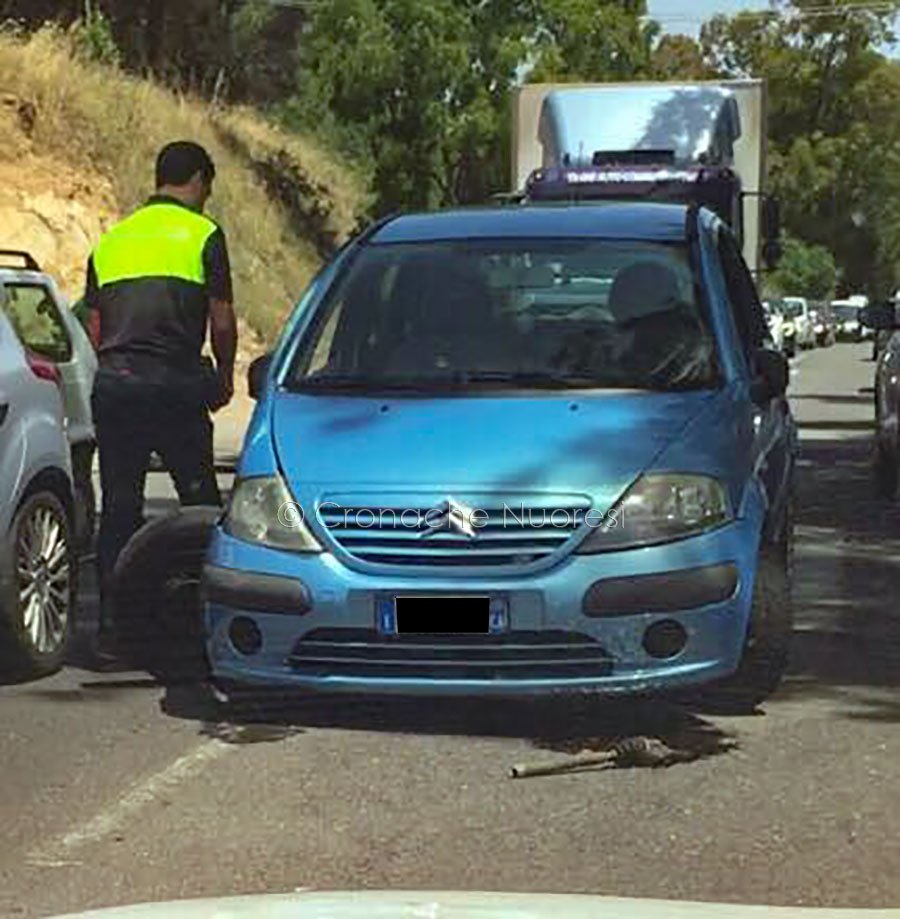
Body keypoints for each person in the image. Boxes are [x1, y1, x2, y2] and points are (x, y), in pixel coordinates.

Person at [83, 140, 238, 656]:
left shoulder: (112, 241)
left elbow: (94, 323)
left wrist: (114, 365)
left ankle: (111, 628)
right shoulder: (203, 234)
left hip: (118, 386)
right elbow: (220, 317)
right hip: (174, 386)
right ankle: (205, 625)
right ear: (197, 180)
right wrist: (223, 375)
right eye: (207, 188)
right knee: (200, 505)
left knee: (121, 506)